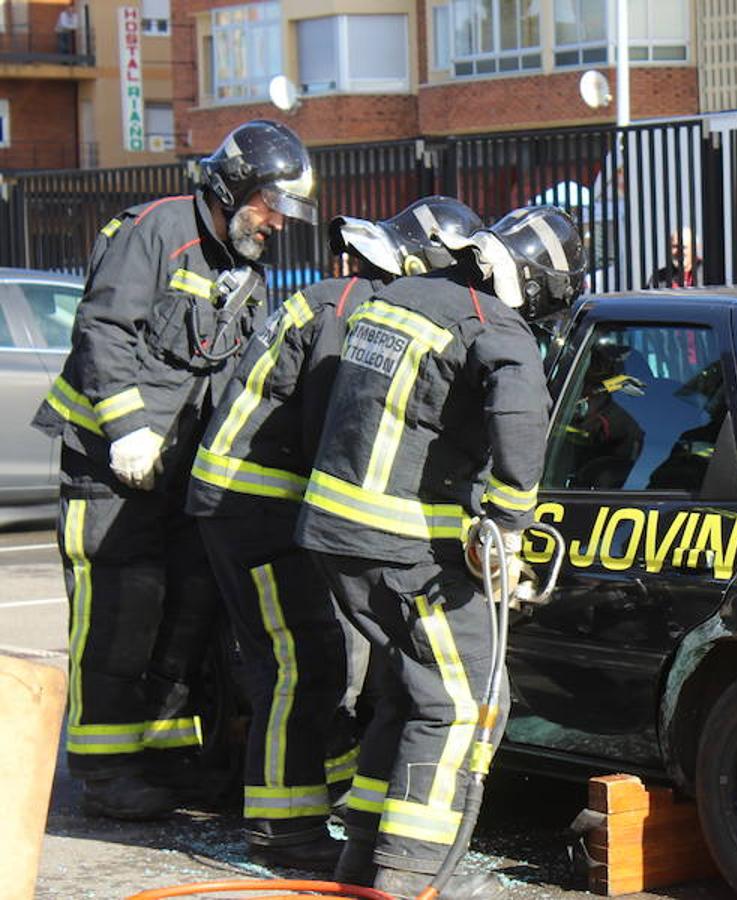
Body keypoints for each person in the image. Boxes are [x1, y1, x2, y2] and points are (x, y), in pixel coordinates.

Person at [294, 205, 586, 898]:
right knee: (465, 702)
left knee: (409, 688)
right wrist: (510, 521)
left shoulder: (400, 298)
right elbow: (517, 415)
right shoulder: (493, 322)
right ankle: (415, 876)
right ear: (533, 280)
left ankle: (362, 857)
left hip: (337, 533)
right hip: (405, 548)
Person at [184, 197, 484, 869]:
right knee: (299, 663)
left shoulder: (340, 298)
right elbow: (345, 437)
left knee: (307, 661)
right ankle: (283, 832)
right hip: (253, 507)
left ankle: (308, 813)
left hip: (255, 504)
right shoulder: (358, 313)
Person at [29, 120, 317, 820]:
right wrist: (127, 430)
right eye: (269, 205)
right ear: (233, 187)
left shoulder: (245, 269)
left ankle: (164, 756)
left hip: (178, 472)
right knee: (121, 611)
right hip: (109, 462)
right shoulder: (158, 231)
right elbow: (103, 330)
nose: (277, 222)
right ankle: (104, 772)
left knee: (184, 612)